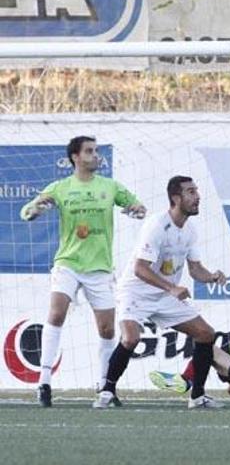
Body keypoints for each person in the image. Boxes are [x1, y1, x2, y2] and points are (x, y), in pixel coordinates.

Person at [20, 136, 146, 407]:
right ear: (75, 157)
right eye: (89, 151)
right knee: (56, 313)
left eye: (96, 151)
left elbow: (138, 206)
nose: (95, 156)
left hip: (99, 267)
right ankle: (43, 383)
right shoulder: (61, 187)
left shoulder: (109, 187)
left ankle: (104, 386)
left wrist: (136, 209)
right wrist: (35, 210)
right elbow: (27, 211)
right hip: (68, 263)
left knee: (106, 328)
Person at [93, 176, 226, 409]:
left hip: (165, 296)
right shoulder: (157, 225)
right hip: (136, 292)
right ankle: (107, 391)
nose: (198, 197)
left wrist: (212, 276)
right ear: (176, 198)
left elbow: (195, 269)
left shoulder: (190, 230)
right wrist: (172, 288)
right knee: (130, 338)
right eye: (191, 192)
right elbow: (140, 268)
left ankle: (197, 396)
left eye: (196, 191)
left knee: (205, 333)